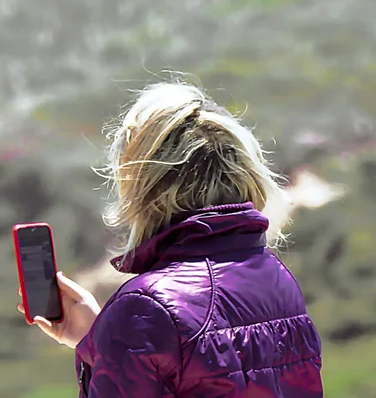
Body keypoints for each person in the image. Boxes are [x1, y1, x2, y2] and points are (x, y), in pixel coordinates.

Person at [17, 81, 323, 397]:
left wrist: (115, 337)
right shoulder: (276, 279)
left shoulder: (144, 308)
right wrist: (100, 339)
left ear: (144, 186)